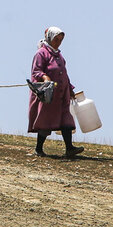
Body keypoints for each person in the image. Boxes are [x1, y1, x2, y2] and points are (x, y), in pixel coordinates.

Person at [28, 26, 85, 158]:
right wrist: (45, 77)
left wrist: (70, 88)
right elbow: (36, 71)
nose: (58, 42)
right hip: (49, 94)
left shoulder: (59, 55)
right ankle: (39, 149)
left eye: (60, 40)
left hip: (62, 93)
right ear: (49, 38)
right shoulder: (41, 53)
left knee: (66, 119)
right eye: (56, 39)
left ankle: (69, 149)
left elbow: (64, 73)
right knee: (46, 119)